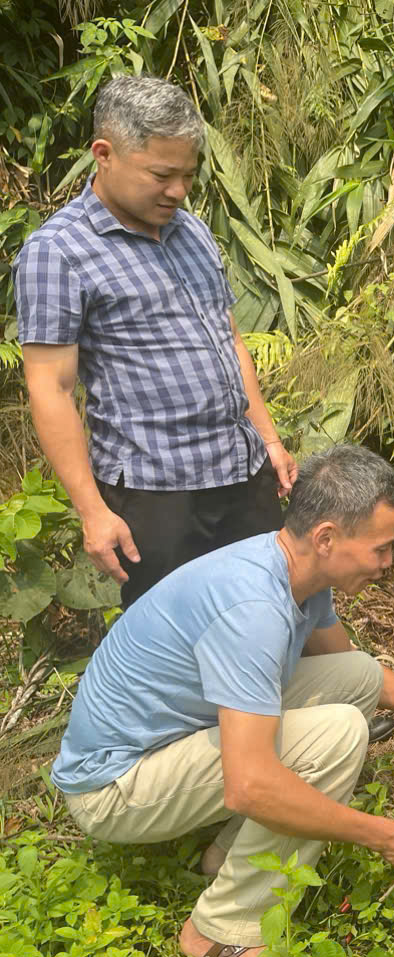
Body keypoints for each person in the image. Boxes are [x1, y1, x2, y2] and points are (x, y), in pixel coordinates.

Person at [50, 444, 394, 957]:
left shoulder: (297, 571)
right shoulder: (253, 609)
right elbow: (249, 786)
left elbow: (351, 670)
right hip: (114, 788)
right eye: (381, 548)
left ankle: (225, 856)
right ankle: (221, 932)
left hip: (173, 742)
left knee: (354, 676)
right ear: (327, 537)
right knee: (338, 734)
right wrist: (386, 835)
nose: (388, 563)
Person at [14, 74, 296, 610]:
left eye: (188, 175)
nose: (177, 191)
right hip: (155, 490)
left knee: (263, 614)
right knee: (173, 639)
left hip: (241, 471)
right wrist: (93, 511)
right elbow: (50, 387)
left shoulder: (191, 231)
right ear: (105, 153)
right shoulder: (58, 251)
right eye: (161, 175)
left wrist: (270, 440)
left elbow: (230, 340)